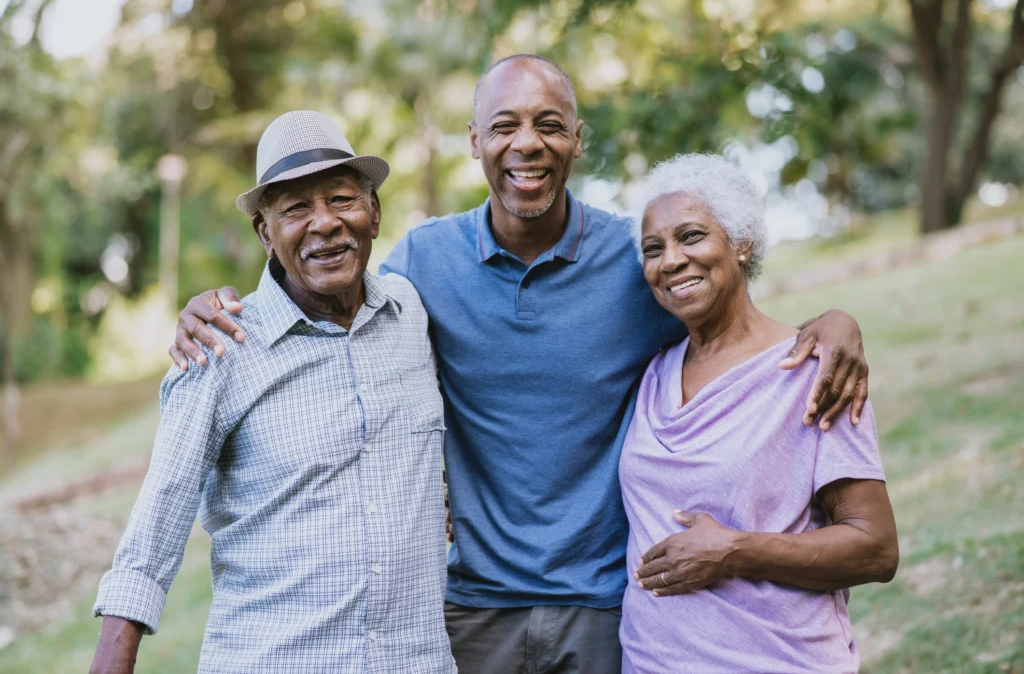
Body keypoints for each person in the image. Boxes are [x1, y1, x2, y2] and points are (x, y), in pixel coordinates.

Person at [168, 56, 871, 673]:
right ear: (474, 141)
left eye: (548, 124)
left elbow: (731, 318)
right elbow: (335, 317)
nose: (526, 143)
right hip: (473, 609)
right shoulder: (424, 263)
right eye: (504, 126)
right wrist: (223, 310)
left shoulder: (635, 258)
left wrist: (835, 322)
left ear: (577, 139)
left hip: (605, 605)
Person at [90, 111, 455, 674]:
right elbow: (157, 523)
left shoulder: (410, 312)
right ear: (265, 234)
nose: (325, 223)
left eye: (342, 199)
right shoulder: (220, 345)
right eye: (296, 209)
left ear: (374, 213)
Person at [622, 154, 898, 673]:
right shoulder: (652, 375)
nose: (672, 260)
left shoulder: (815, 373)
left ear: (742, 243)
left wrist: (734, 551)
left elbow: (876, 549)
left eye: (691, 236)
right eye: (653, 248)